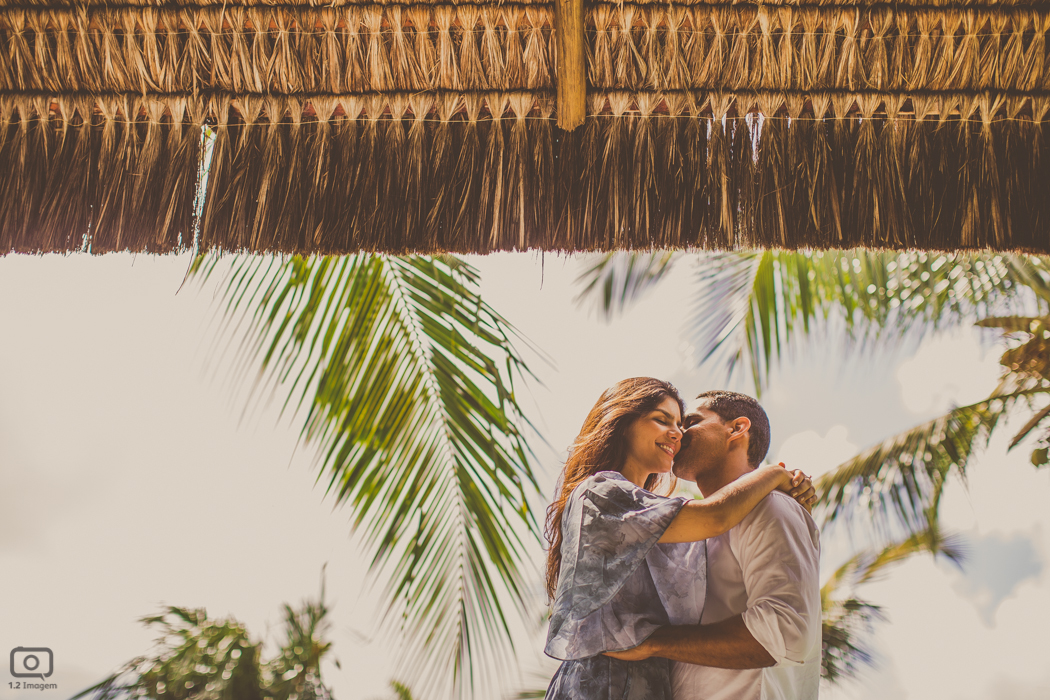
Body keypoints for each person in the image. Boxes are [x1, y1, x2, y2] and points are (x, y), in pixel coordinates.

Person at [543, 378, 814, 700]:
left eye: (687, 423)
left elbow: (786, 632)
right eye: (663, 420)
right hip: (604, 685)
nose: (679, 433)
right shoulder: (601, 494)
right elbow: (715, 515)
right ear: (623, 422)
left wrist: (654, 643)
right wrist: (774, 473)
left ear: (738, 429)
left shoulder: (721, 516)